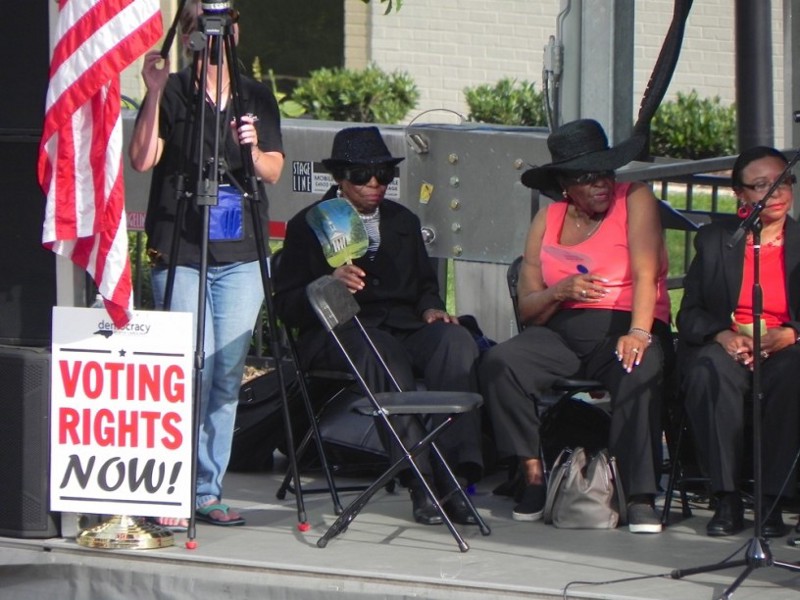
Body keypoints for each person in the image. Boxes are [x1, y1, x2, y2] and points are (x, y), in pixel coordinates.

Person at [273, 126, 483, 526]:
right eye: (361, 175)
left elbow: (425, 287)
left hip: (404, 326)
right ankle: (420, 479)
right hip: (338, 331)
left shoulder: (403, 220)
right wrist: (327, 283)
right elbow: (287, 306)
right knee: (380, 353)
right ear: (339, 178)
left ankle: (456, 476)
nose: (374, 184)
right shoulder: (309, 224)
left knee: (454, 341)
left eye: (383, 175)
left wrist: (431, 310)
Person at [129, 0, 284, 529]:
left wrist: (254, 147)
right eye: (200, 25)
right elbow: (143, 158)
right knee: (185, 369)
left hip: (240, 253)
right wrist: (152, 93)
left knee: (223, 371)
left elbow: (273, 170)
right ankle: (167, 488)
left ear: (235, 31)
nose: (214, 34)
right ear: (189, 34)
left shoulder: (255, 95)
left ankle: (205, 488)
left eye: (222, 24)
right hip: (181, 246)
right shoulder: (173, 90)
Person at [478, 119, 672, 534]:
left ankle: (639, 495)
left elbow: (645, 271)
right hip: (563, 328)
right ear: (565, 184)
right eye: (587, 177)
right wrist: (559, 290)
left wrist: (639, 332)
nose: (601, 183)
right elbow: (530, 309)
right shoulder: (548, 219)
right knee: (501, 362)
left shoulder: (634, 198)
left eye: (605, 172)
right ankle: (532, 474)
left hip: (625, 322)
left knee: (638, 366)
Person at [677, 146, 800, 538]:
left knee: (793, 375)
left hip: (786, 345)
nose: (776, 192)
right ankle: (726, 496)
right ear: (741, 194)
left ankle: (772, 502)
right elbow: (690, 312)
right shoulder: (717, 241)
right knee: (709, 372)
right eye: (762, 185)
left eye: (783, 181)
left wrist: (792, 333)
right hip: (732, 343)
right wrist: (723, 334)